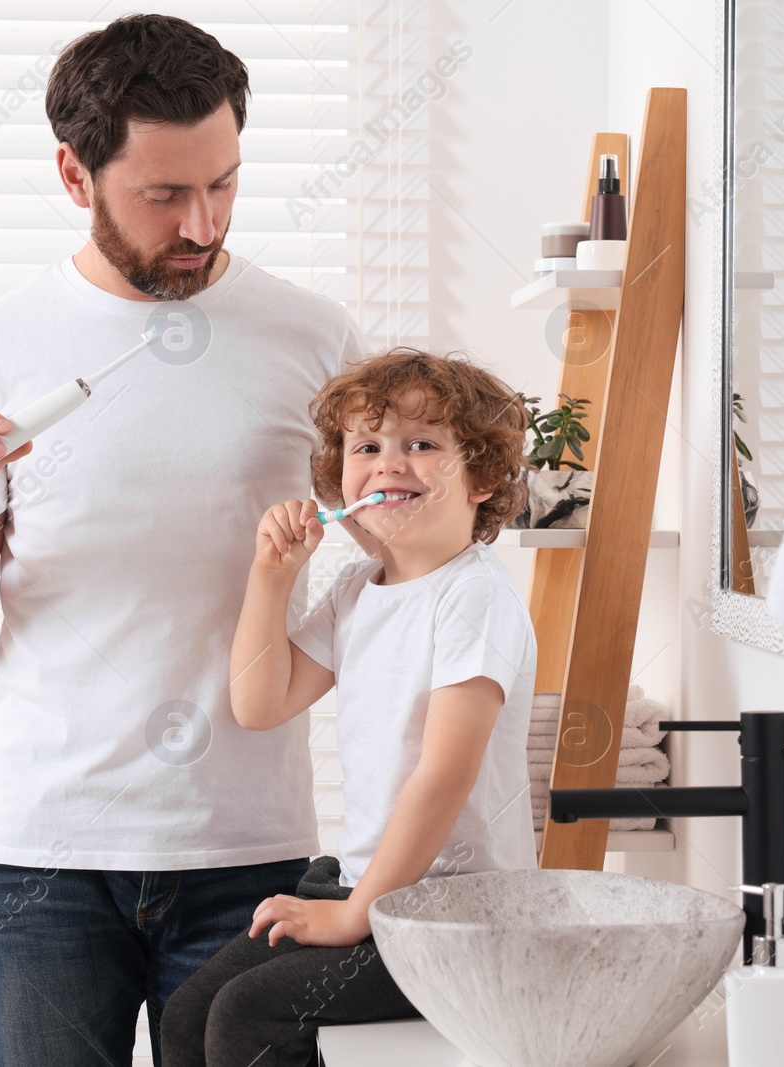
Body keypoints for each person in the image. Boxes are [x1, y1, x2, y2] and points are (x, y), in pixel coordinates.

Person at [0, 15, 364, 1066]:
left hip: (249, 851)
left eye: (224, 184)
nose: (202, 223)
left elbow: (398, 553)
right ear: (74, 172)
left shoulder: (316, 341)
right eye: (163, 195)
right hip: (42, 860)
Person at [160, 348, 539, 1066]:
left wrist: (354, 913)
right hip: (373, 887)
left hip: (456, 915)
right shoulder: (357, 591)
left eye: (421, 445)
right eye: (367, 446)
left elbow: (445, 775)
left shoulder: (474, 598)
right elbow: (259, 701)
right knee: (187, 1015)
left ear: (483, 477)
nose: (388, 463)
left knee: (249, 1015)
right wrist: (271, 579)